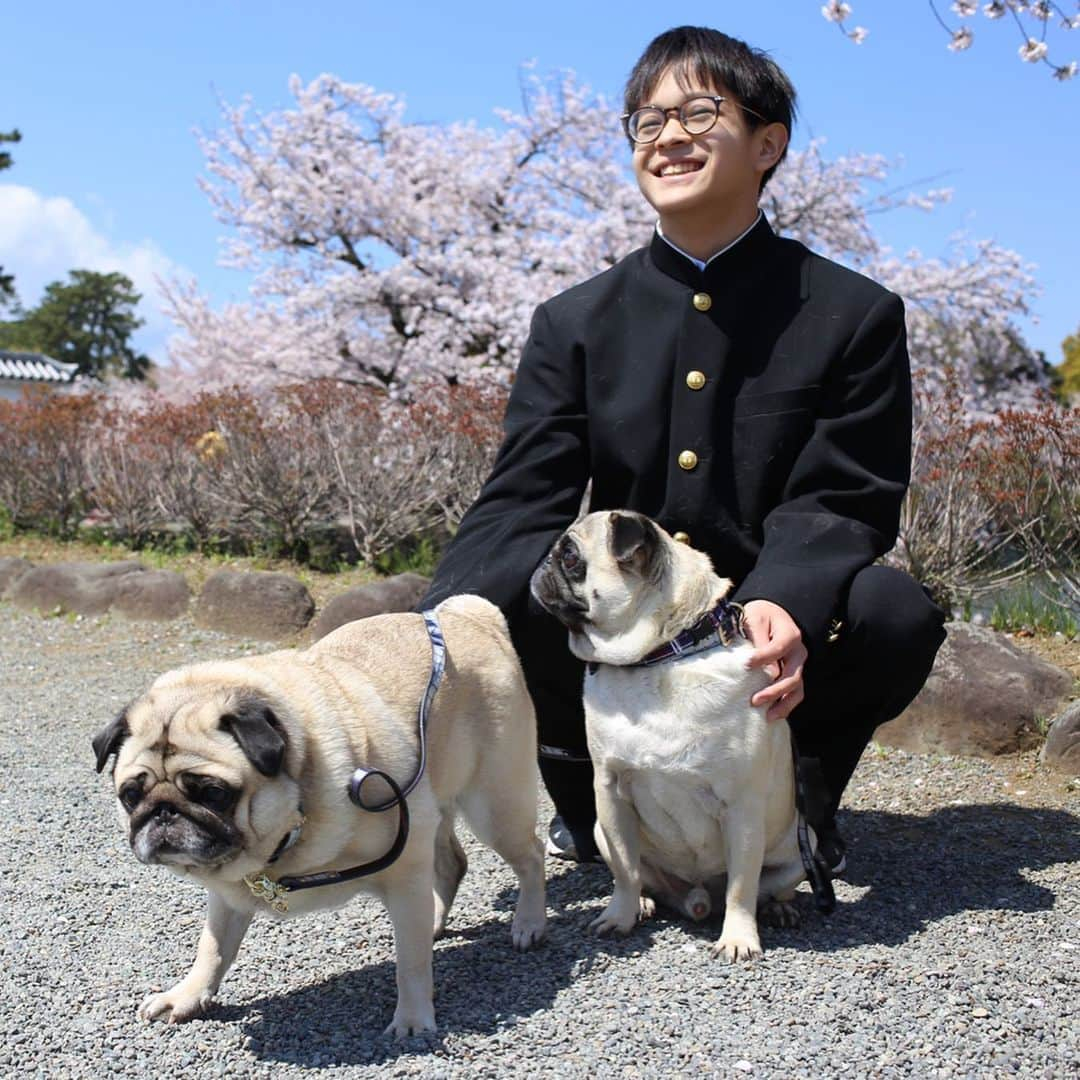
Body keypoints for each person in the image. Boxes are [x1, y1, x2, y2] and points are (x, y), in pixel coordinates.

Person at [418, 26, 946, 871]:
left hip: (757, 622)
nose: (667, 138)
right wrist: (436, 626)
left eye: (700, 113)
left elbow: (845, 493)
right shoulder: (574, 321)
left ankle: (797, 795)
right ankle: (585, 793)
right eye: (647, 121)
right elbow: (525, 496)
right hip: (618, 621)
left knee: (895, 613)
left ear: (768, 143)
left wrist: (786, 600)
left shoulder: (853, 312)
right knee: (503, 593)